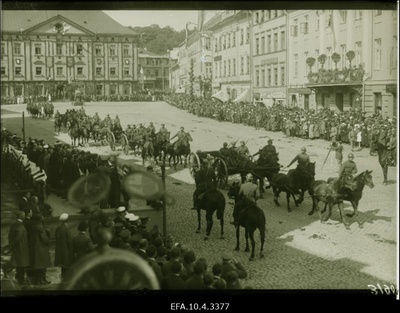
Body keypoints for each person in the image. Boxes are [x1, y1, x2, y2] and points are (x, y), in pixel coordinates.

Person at [8, 211, 30, 286]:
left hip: (18, 247)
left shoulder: (13, 224)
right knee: (21, 264)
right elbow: (18, 237)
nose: (24, 216)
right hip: (21, 247)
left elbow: (10, 235)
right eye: (23, 215)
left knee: (19, 264)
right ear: (21, 217)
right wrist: (13, 244)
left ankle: (19, 278)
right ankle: (21, 280)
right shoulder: (20, 225)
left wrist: (11, 244)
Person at [54, 213, 74, 282]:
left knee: (63, 264)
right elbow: (69, 240)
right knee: (67, 264)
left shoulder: (58, 228)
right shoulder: (66, 229)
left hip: (60, 250)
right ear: (67, 220)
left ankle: (63, 276)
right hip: (66, 250)